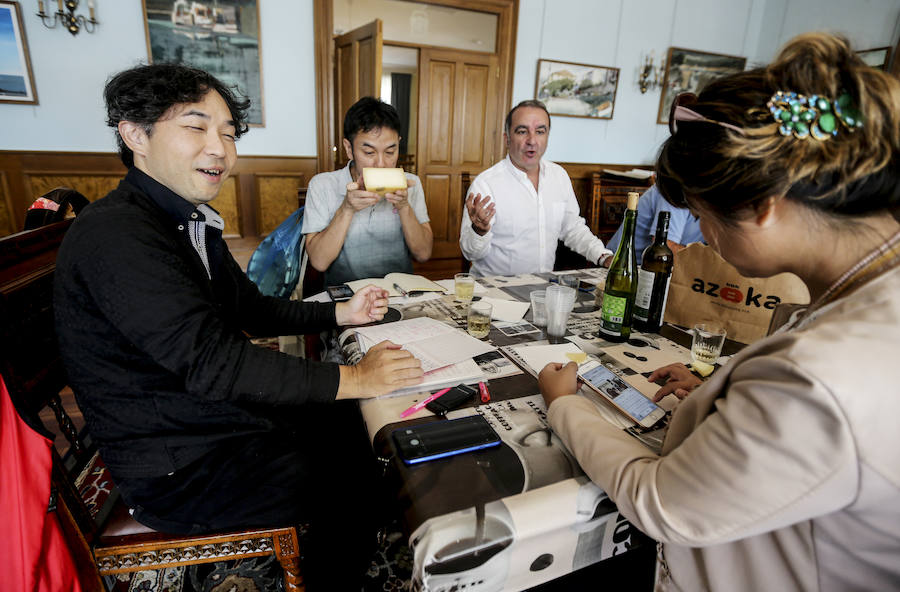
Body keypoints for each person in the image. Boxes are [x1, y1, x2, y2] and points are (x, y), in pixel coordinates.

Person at [538, 33, 900, 591]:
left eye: (703, 216)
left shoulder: (818, 379)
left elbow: (661, 501)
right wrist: (717, 387)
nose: (702, 237)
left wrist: (564, 407)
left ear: (762, 207)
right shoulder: (866, 292)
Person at [53, 64, 424, 591]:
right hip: (177, 465)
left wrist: (340, 313)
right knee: (359, 479)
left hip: (207, 417)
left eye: (228, 133)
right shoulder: (118, 235)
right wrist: (357, 378)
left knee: (354, 426)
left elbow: (252, 310)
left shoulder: (183, 220)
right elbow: (215, 363)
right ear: (135, 134)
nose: (220, 149)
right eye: (196, 127)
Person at [459, 100, 612, 276]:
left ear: (547, 137)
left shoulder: (559, 176)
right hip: (494, 293)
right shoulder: (485, 184)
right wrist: (479, 231)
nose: (532, 141)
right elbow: (470, 253)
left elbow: (572, 228)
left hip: (542, 289)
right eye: (522, 131)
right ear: (507, 139)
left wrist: (602, 256)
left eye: (540, 131)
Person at [302, 96, 432, 286]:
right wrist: (346, 209)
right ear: (349, 148)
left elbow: (423, 254)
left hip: (399, 292)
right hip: (346, 295)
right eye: (369, 153)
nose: (381, 164)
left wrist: (403, 206)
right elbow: (319, 262)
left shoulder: (411, 184)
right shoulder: (322, 185)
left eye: (390, 152)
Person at [603, 184, 704, 263]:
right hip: (620, 265)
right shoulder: (674, 189)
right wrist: (708, 258)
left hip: (662, 269)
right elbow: (664, 249)